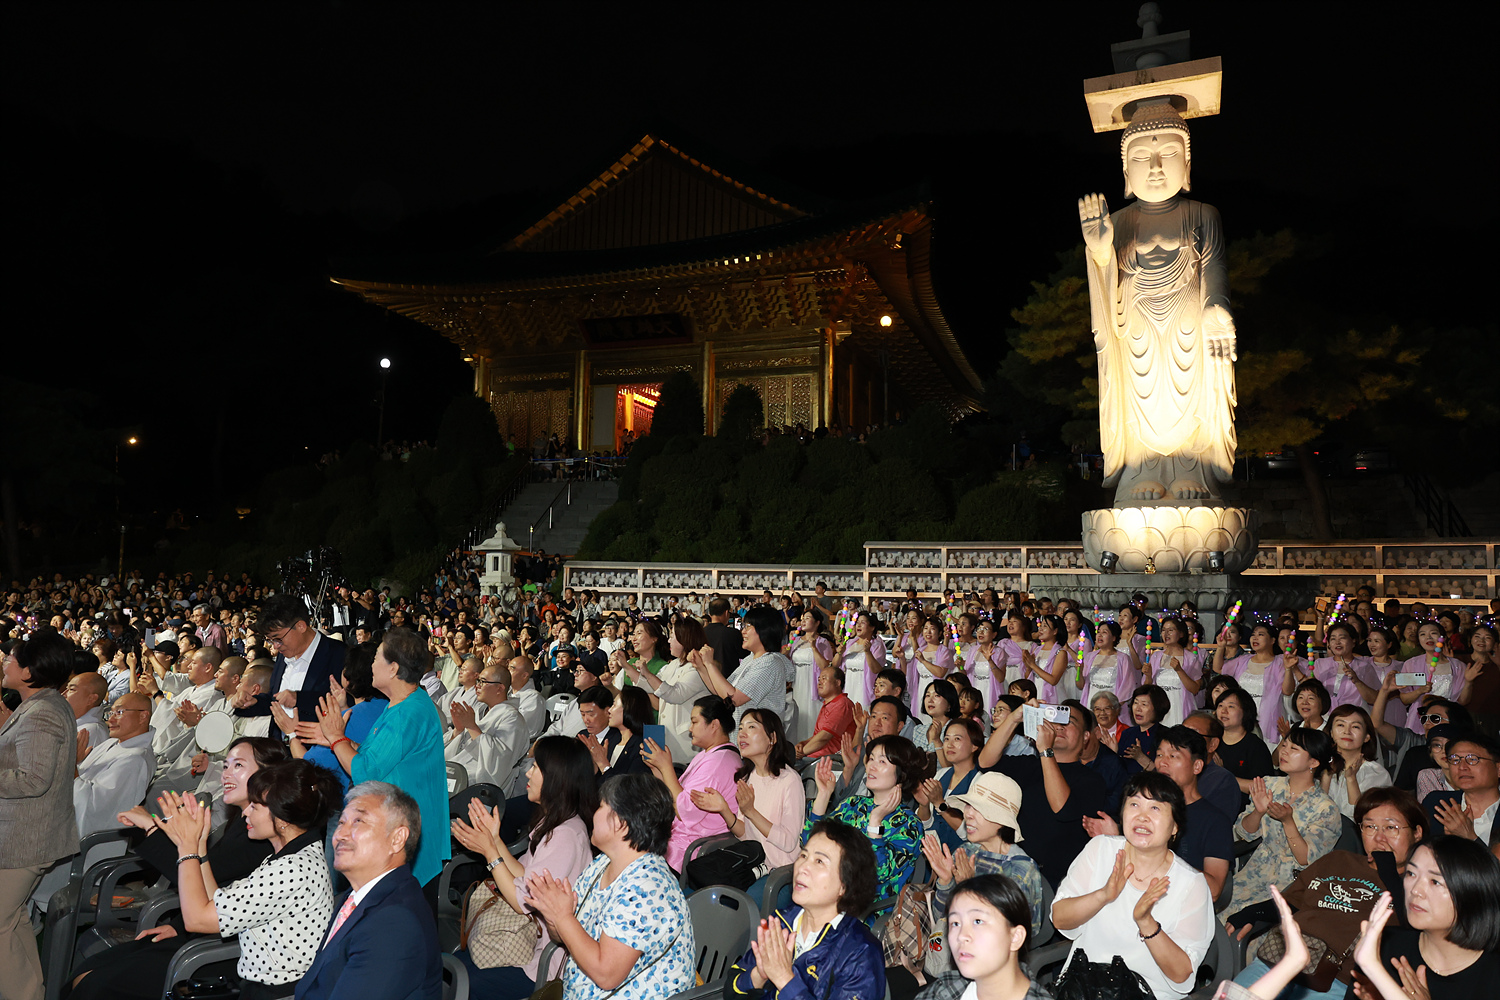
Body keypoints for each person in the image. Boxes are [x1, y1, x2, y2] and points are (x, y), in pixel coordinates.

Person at [67, 737, 290, 1000]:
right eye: (226, 765)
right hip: (204, 932)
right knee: (85, 972)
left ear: (269, 774)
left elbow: (199, 878)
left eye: (238, 765)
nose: (227, 773)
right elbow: (209, 883)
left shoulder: (265, 835)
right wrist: (177, 926)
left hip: (225, 952)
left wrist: (153, 829)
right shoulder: (244, 822)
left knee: (94, 984)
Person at [151, 761, 341, 1000]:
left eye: (255, 806)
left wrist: (185, 847)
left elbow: (197, 920)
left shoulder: (291, 870)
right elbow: (215, 902)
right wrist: (199, 845)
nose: (245, 812)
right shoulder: (295, 855)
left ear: (281, 816)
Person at [1225, 786, 1427, 1000]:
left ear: (1417, 833)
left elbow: (1412, 931)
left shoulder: (1420, 885)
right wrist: (1253, 913)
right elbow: (1292, 901)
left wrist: (1388, 873)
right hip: (1280, 961)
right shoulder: (1338, 859)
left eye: (1391, 828)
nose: (1379, 838)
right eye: (1370, 827)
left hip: (1337, 981)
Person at [295, 627, 450, 889]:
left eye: (377, 657)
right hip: (401, 827)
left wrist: (336, 738)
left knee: (405, 922)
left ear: (393, 668)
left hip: (409, 834)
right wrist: (339, 740)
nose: (372, 665)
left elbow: (365, 771)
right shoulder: (401, 703)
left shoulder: (408, 712)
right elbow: (375, 753)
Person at [525, 773, 695, 1000]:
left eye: (601, 806)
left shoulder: (647, 889)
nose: (593, 814)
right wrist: (554, 914)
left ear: (620, 824)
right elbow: (565, 935)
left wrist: (563, 917)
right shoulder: (604, 863)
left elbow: (607, 975)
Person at [450, 736, 597, 997]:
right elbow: (523, 875)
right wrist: (494, 840)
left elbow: (521, 901)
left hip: (541, 961)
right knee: (453, 966)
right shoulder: (556, 822)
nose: (528, 772)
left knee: (456, 980)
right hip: (528, 942)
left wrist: (489, 854)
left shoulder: (566, 835)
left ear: (557, 778)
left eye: (537, 768)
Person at [1051, 772, 1216, 1000]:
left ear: (1175, 827)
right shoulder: (1100, 850)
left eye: (1155, 808)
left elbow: (1182, 974)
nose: (1142, 816)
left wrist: (1146, 923)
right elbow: (1059, 918)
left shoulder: (1191, 884)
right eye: (1134, 804)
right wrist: (1103, 895)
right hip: (1084, 989)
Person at [295, 781, 443, 1000]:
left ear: (397, 839)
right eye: (341, 822)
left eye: (358, 822)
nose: (340, 835)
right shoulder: (359, 896)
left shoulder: (394, 923)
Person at [0, 631, 80, 1000]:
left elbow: (33, 779)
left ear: (30, 669)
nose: (4, 663)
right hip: (25, 836)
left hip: (22, 839)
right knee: (11, 922)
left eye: (11, 659)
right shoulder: (43, 704)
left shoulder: (43, 710)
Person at [725, 819, 885, 1000]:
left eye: (819, 861)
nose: (802, 867)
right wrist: (758, 975)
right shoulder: (782, 921)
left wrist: (785, 980)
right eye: (803, 856)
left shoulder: (861, 953)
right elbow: (730, 991)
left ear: (845, 886)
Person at [979, 700, 1109, 889]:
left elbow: (1062, 809)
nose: (1059, 727)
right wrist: (1015, 717)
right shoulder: (1031, 766)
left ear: (1085, 736)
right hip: (1014, 871)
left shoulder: (1093, 780)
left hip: (1060, 882)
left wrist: (1045, 751)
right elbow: (986, 763)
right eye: (1055, 721)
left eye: (1069, 721)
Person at [1350, 836, 1500, 1000]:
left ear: (1472, 894)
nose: (1415, 890)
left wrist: (1374, 969)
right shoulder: (1384, 945)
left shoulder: (1493, 974)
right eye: (1411, 873)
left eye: (1435, 881)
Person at [689, 708, 804, 905]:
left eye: (751, 727)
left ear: (772, 738)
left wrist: (751, 811)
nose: (742, 733)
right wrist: (724, 809)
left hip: (779, 875)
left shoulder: (789, 781)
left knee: (730, 906)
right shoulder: (748, 778)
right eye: (741, 728)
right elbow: (744, 834)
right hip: (750, 864)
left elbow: (788, 842)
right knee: (698, 893)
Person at [1225, 728, 1343, 916]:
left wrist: (1288, 822)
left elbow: (1305, 858)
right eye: (1284, 745)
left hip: (1291, 884)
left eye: (1293, 748)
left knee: (1241, 921)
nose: (1284, 751)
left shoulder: (1326, 809)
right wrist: (1258, 811)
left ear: (1313, 762)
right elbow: (1244, 832)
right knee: (1213, 908)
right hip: (1257, 870)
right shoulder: (1270, 785)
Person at [921, 773, 1048, 942]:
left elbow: (1009, 937)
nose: (968, 814)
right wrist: (945, 881)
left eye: (979, 809)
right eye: (968, 805)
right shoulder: (966, 851)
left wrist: (969, 889)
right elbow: (940, 919)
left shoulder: (1019, 869)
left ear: (1002, 821)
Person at [808, 735, 925, 902]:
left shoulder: (910, 824)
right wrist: (823, 796)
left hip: (865, 910)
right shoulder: (854, 804)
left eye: (882, 762)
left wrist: (875, 822)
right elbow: (809, 843)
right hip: (826, 894)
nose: (871, 766)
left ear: (902, 773)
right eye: (871, 759)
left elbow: (877, 874)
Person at [640, 695, 741, 871]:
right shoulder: (709, 755)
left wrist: (667, 768)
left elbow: (683, 809)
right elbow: (675, 794)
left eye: (694, 722)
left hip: (689, 847)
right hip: (678, 839)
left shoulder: (718, 762)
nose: (689, 728)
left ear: (714, 725)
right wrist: (658, 768)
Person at [914, 874, 1051, 1000]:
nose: (961, 936)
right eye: (955, 923)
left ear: (1015, 937)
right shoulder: (945, 989)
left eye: (978, 921)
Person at [624, 615, 711, 761]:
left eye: (672, 636)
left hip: (687, 744)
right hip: (669, 738)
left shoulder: (697, 668)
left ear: (685, 639)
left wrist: (647, 674)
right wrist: (637, 673)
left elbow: (675, 694)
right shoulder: (674, 664)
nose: (669, 640)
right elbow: (652, 687)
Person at [694, 607, 795, 728]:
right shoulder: (751, 659)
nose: (743, 631)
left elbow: (734, 699)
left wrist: (710, 664)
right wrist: (701, 667)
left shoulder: (770, 663)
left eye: (748, 626)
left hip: (758, 738)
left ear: (764, 629)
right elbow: (721, 691)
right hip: (744, 734)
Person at [71, 691, 155, 836]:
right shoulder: (111, 743)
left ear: (143, 716)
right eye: (111, 713)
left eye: (120, 712)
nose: (111, 720)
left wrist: (70, 764)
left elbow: (93, 806)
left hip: (88, 841)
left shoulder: (136, 759)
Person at [256, 595, 344, 723]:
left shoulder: (339, 655)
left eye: (278, 638)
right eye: (270, 640)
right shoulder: (284, 653)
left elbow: (348, 703)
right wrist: (252, 702)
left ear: (301, 626)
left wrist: (300, 699)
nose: (275, 646)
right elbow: (275, 700)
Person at [1216, 624, 1292, 743]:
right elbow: (1218, 668)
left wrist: (1288, 669)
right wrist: (1220, 647)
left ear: (1272, 640)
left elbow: (1287, 691)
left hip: (1267, 717)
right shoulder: (1243, 660)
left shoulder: (1280, 662)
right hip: (1242, 715)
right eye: (1253, 635)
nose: (1255, 638)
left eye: (1260, 635)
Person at [918, 719, 986, 852]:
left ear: (974, 746)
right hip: (933, 856)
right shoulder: (941, 774)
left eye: (957, 739)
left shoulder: (980, 782)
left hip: (962, 858)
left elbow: (969, 833)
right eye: (947, 739)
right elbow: (925, 823)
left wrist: (940, 804)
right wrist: (923, 804)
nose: (949, 744)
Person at [1423, 732, 1500, 845]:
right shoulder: (1437, 804)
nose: (1462, 767)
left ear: (1498, 768)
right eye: (1455, 760)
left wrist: (1471, 838)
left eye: (1473, 759)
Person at [1321, 704, 1390, 820]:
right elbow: (1315, 811)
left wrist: (1351, 779)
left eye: (1355, 727)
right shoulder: (1319, 764)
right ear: (1331, 733)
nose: (1347, 731)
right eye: (1340, 725)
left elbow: (1362, 818)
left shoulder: (1376, 773)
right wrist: (1326, 776)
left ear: (1367, 737)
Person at [1216, 688, 1276, 797]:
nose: (1223, 711)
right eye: (1220, 705)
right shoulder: (1212, 742)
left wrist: (1223, 775)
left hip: (1245, 810)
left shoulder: (1255, 747)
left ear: (1245, 712)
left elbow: (1264, 788)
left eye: (1231, 706)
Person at [786, 611, 835, 745]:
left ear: (817, 623)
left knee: (812, 717)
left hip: (813, 685)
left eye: (807, 618)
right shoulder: (795, 641)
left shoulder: (823, 642)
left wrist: (814, 648)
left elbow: (826, 667)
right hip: (797, 684)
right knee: (797, 717)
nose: (803, 621)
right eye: (802, 618)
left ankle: (812, 747)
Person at [586, 685, 652, 782]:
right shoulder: (612, 739)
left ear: (628, 708)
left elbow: (630, 789)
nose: (609, 710)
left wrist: (603, 763)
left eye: (614, 705)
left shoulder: (643, 746)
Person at [832, 611, 888, 710]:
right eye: (857, 622)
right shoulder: (849, 642)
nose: (858, 625)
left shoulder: (877, 645)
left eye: (863, 622)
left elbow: (876, 669)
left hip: (864, 687)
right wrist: (839, 653)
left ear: (872, 627)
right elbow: (835, 665)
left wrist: (867, 652)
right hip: (849, 683)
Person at [796, 665, 854, 759]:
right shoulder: (830, 703)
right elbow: (819, 735)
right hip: (818, 756)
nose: (819, 683)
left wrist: (801, 753)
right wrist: (803, 744)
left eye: (824, 679)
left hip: (829, 758)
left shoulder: (842, 704)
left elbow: (824, 737)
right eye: (819, 680)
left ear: (837, 683)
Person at [62, 671, 109, 751]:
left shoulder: (91, 732)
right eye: (66, 689)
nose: (63, 694)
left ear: (91, 699)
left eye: (72, 689)